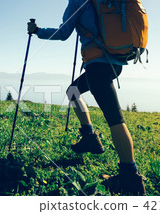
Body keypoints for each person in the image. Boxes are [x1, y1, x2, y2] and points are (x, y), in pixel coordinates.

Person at [27, 0, 146, 195]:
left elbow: (63, 33)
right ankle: (89, 137)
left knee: (115, 120)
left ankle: (131, 178)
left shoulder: (78, 1)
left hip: (97, 65)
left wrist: (37, 30)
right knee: (72, 91)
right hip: (115, 63)